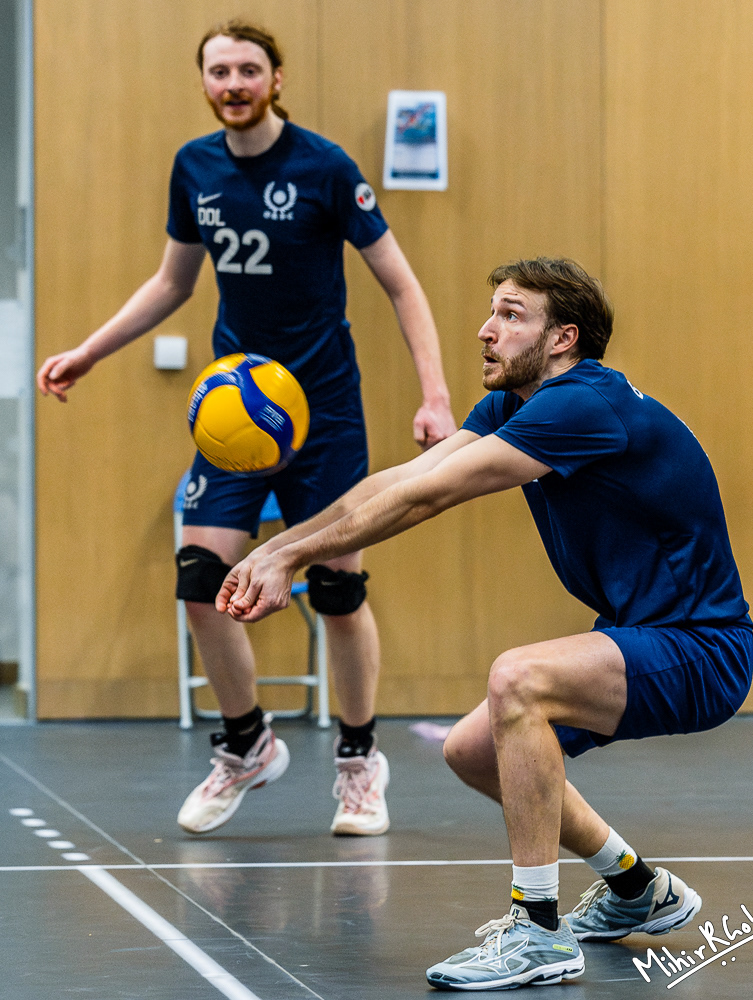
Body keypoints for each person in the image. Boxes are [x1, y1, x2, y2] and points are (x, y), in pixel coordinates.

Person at [214, 257, 753, 989]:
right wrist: (277, 548)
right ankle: (636, 888)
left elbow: (430, 499)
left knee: (518, 679)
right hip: (645, 636)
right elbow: (400, 481)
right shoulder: (515, 405)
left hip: (702, 649)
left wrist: (294, 558)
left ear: (563, 338)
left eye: (510, 314)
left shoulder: (581, 404)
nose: (485, 330)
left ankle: (538, 933)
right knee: (472, 750)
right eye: (492, 312)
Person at [36, 20, 456, 839]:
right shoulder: (194, 167)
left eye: (248, 70)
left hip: (323, 412)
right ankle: (246, 745)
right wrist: (89, 351)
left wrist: (434, 396)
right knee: (201, 580)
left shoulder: (325, 167)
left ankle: (359, 762)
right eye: (219, 71)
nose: (233, 84)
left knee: (336, 590)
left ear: (276, 78)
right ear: (204, 82)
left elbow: (402, 285)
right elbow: (172, 282)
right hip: (235, 414)